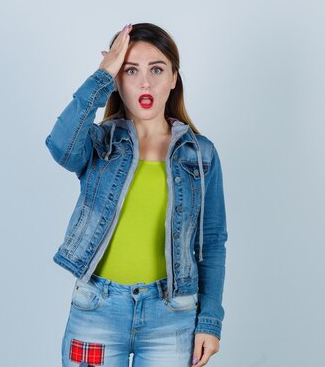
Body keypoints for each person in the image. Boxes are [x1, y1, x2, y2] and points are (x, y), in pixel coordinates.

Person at [45, 22, 228, 367]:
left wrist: (210, 321)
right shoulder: (100, 144)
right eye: (130, 70)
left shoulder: (200, 154)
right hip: (97, 309)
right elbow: (60, 146)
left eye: (156, 69)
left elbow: (212, 241)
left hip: (172, 316)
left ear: (174, 77)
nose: (145, 82)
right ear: (118, 79)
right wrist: (101, 76)